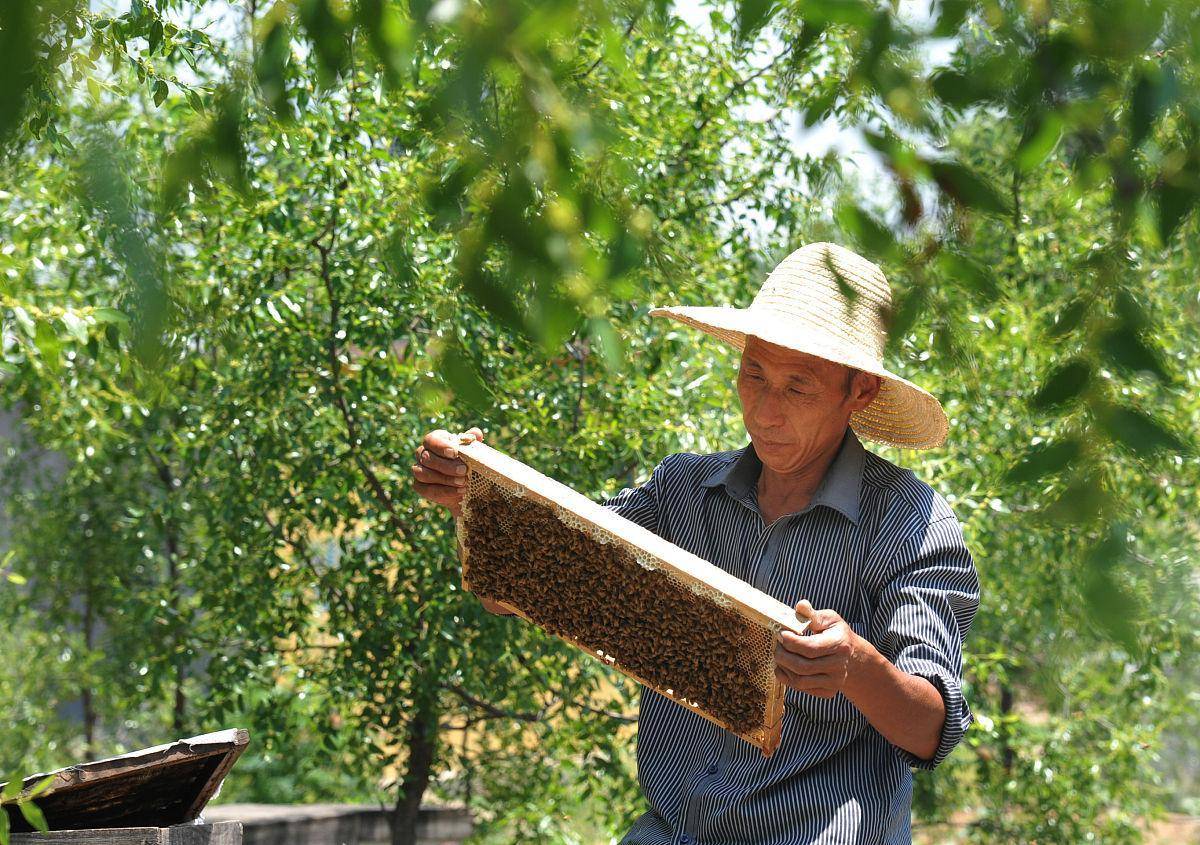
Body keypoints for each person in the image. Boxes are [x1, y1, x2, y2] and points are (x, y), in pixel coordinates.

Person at [411, 242, 981, 844]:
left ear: (859, 392)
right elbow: (535, 583)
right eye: (753, 376)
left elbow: (930, 729)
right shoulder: (679, 492)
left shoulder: (912, 522)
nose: (765, 411)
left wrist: (856, 666)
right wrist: (479, 500)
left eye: (798, 388)